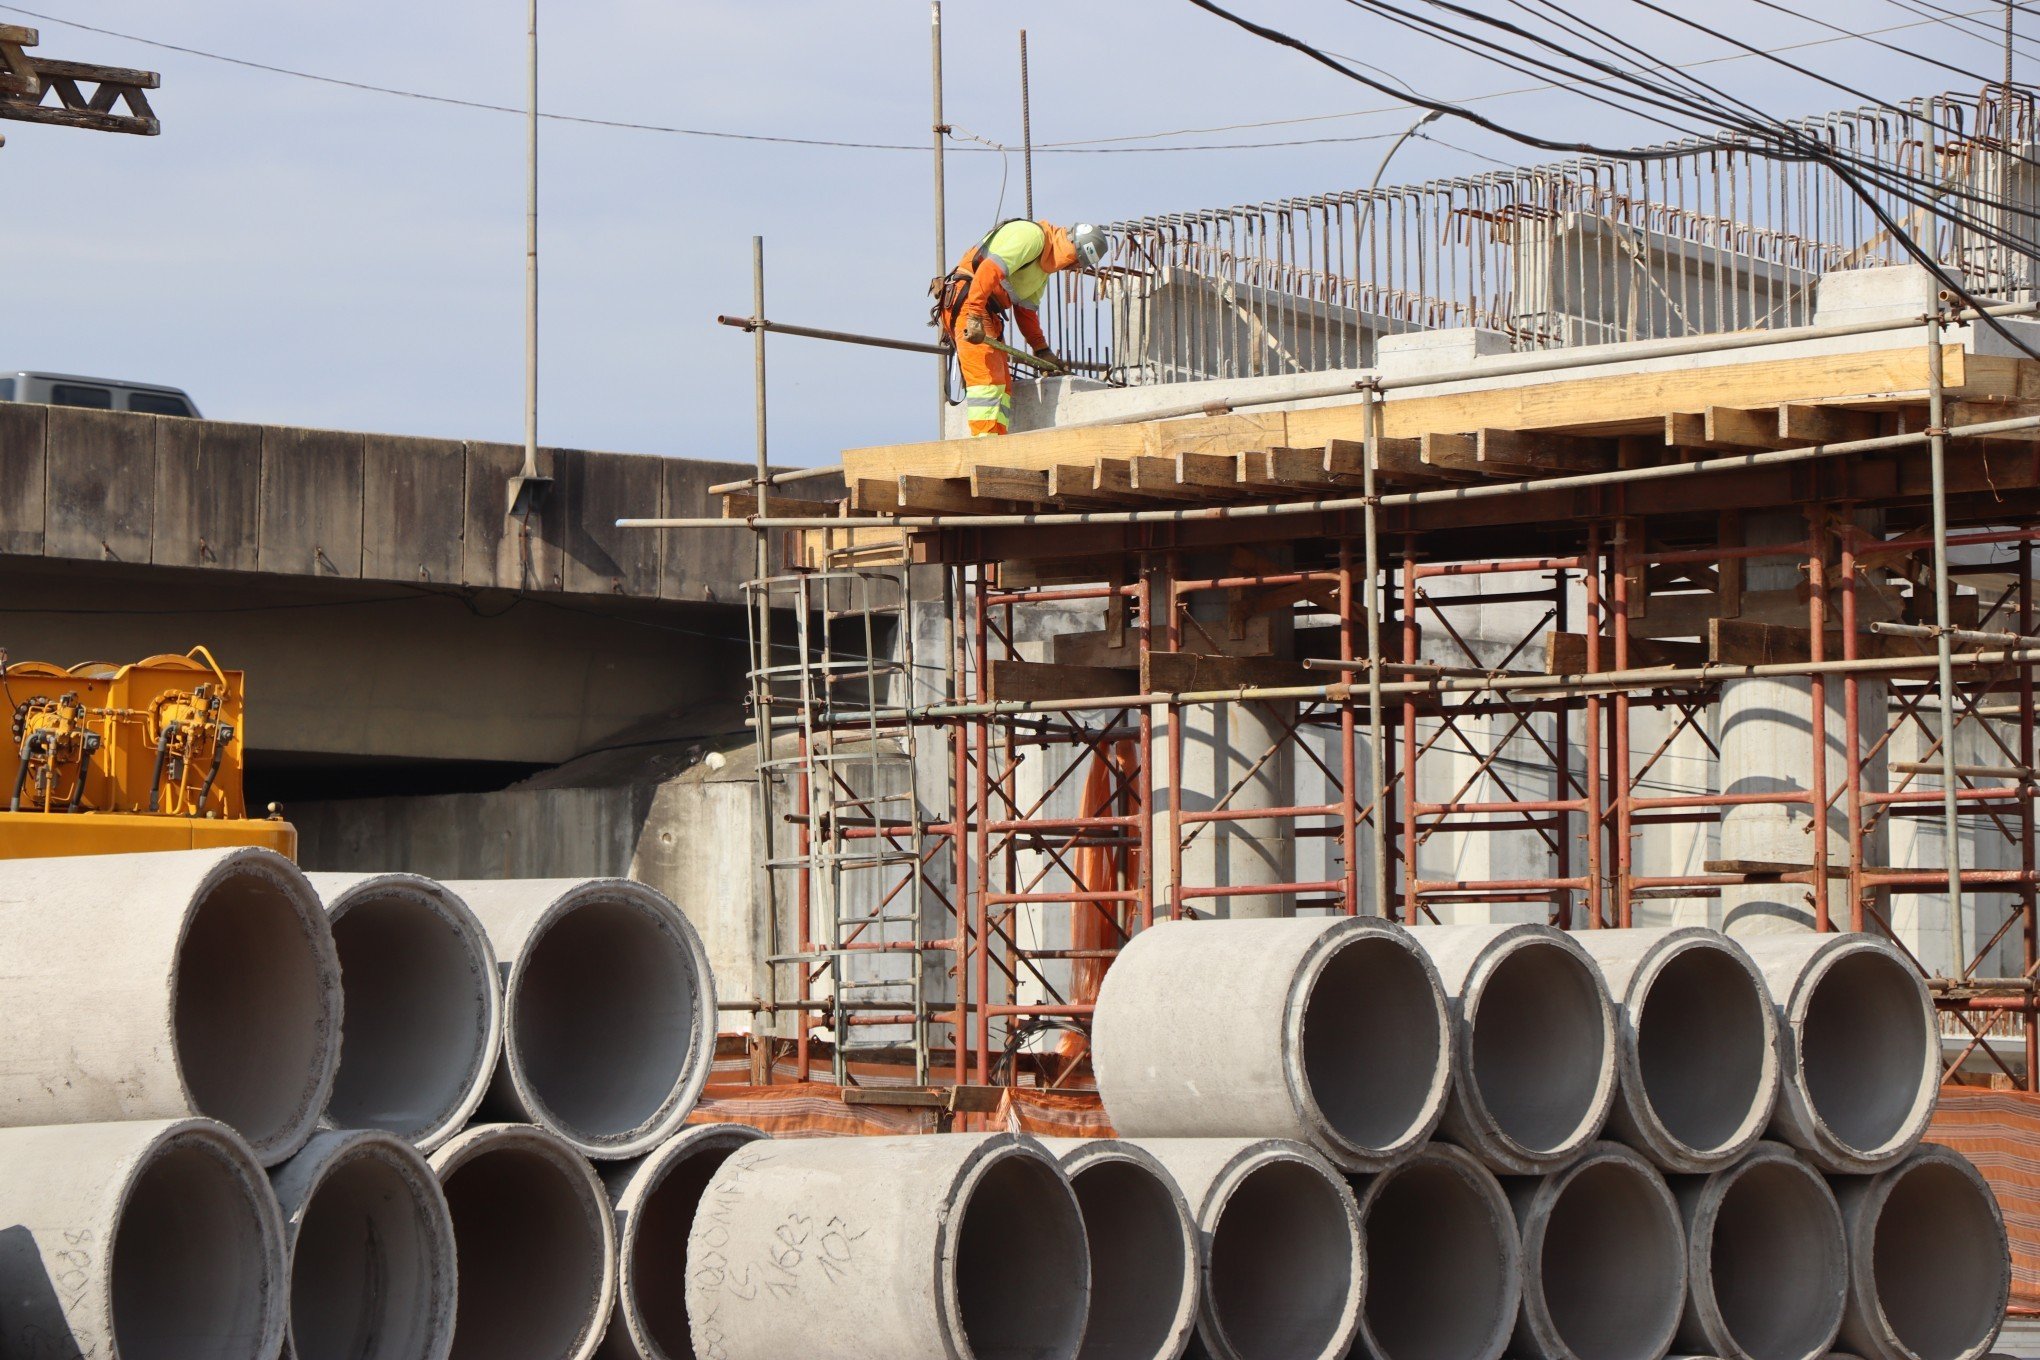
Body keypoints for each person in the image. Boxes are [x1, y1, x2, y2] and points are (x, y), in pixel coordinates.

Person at [936, 220, 1109, 436]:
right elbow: (988, 270)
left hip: (984, 309)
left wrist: (1042, 350)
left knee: (1002, 384)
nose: (1071, 268)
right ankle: (983, 445)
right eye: (1075, 262)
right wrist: (973, 314)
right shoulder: (1032, 237)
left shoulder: (1042, 272)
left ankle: (995, 440)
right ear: (1073, 250)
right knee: (987, 380)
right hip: (970, 301)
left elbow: (1026, 313)